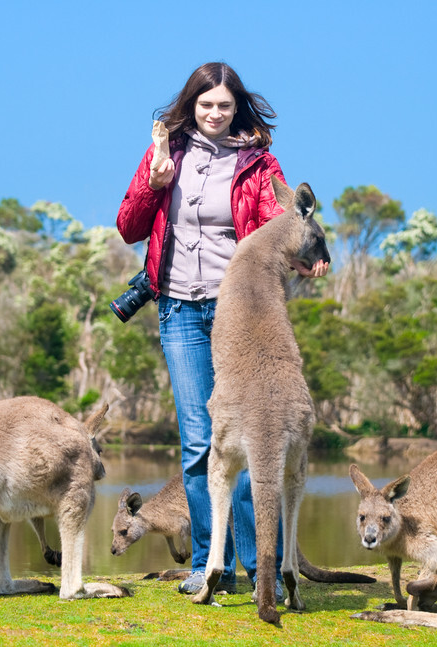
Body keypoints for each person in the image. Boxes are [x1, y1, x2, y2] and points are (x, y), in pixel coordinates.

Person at [115, 62, 328, 597]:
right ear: (191, 106)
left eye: (224, 106)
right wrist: (153, 182)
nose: (214, 113)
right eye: (205, 104)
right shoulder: (167, 154)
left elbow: (278, 231)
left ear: (237, 109)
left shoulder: (257, 164)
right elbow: (129, 228)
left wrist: (307, 260)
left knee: (256, 436)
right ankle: (212, 566)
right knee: (199, 440)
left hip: (237, 311)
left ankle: (262, 568)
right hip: (180, 309)